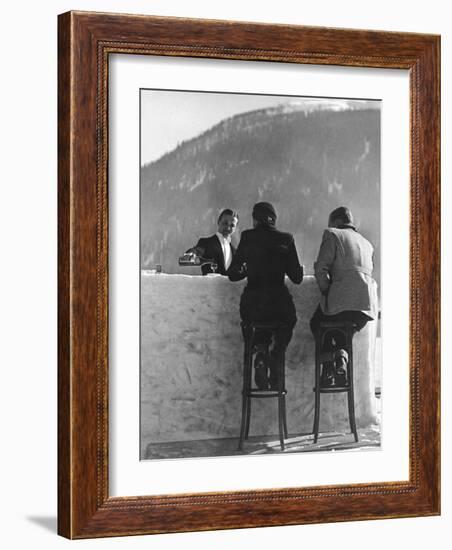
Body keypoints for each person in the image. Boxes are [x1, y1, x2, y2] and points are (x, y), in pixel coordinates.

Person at [227, 202, 304, 390]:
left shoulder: (247, 237)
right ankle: (275, 357)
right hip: (279, 304)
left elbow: (233, 274)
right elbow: (297, 278)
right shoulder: (286, 239)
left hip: (252, 305)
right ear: (273, 220)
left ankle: (261, 352)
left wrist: (248, 268)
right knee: (288, 321)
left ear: (255, 220)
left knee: (257, 324)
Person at [310, 206, 378, 387]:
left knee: (318, 324)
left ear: (336, 222)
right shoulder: (367, 243)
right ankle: (341, 360)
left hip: (341, 301)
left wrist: (326, 291)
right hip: (365, 308)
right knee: (342, 332)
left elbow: (320, 269)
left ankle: (327, 371)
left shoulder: (332, 234)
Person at [187, 209, 239, 275]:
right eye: (225, 223)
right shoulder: (205, 243)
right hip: (209, 284)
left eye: (232, 225)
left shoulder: (235, 251)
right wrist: (193, 254)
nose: (228, 228)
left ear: (235, 228)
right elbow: (189, 258)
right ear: (218, 222)